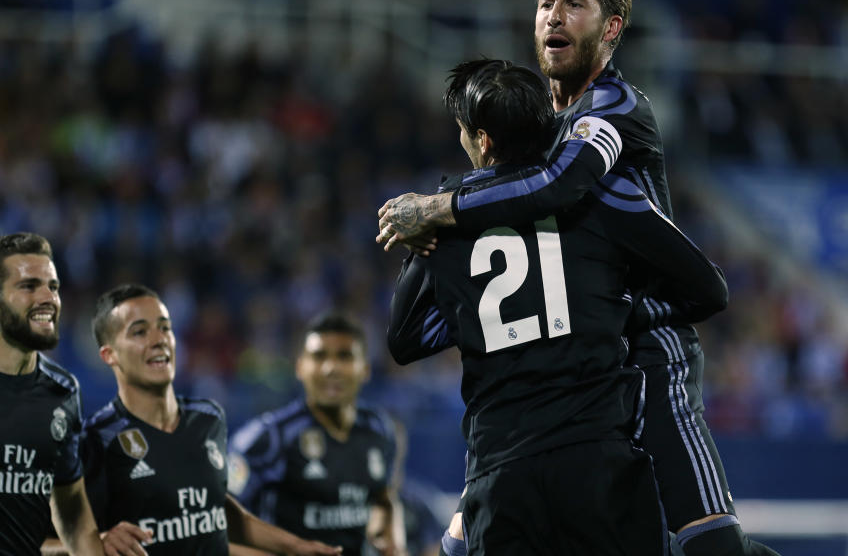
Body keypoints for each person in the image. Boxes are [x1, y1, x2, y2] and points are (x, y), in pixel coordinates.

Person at [377, 0, 779, 556]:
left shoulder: (613, 107)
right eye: (544, 3)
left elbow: (560, 186)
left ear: (611, 27)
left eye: (573, 4)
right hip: (566, 375)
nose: (553, 16)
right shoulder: (540, 133)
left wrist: (440, 209)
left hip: (648, 354)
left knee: (710, 549)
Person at [387, 57, 729, 555]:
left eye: (463, 132)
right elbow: (709, 290)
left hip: (499, 473)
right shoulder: (598, 194)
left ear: (482, 140)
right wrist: (611, 301)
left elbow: (404, 340)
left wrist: (477, 316)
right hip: (599, 464)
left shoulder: (444, 214)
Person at [80, 283, 343, 556]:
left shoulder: (208, 418)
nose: (159, 339)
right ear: (109, 354)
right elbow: (44, 538)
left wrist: (297, 547)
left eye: (165, 327)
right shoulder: (98, 439)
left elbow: (216, 513)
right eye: (139, 332)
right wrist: (97, 541)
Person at [0, 232, 108, 554]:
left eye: (52, 286)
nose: (48, 298)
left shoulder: (63, 391)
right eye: (29, 286)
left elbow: (72, 510)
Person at [228, 311, 407, 556]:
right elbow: (217, 528)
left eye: (344, 356)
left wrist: (393, 542)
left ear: (365, 369)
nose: (330, 368)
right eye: (319, 356)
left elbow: (385, 498)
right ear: (300, 367)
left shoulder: (378, 429)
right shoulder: (267, 438)